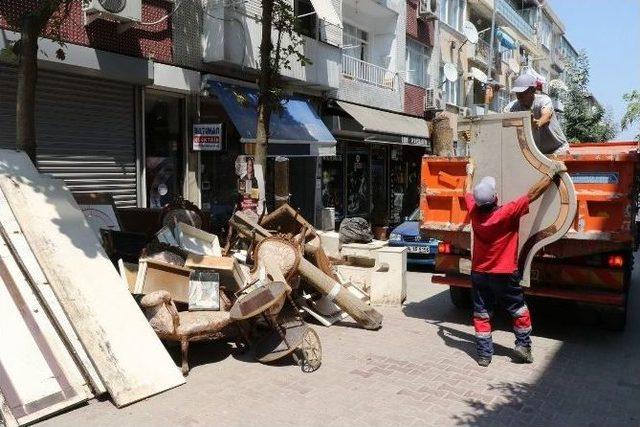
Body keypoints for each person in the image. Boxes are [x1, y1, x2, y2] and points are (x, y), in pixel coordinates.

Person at [464, 159, 567, 367]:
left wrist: (470, 171)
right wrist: (552, 172)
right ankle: (523, 346)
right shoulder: (507, 212)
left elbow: (465, 191)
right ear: (495, 198)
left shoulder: (473, 212)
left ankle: (484, 355)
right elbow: (533, 194)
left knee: (481, 312)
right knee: (518, 309)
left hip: (480, 272)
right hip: (503, 273)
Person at [505, 73, 569, 155]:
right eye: (517, 92)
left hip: (557, 149)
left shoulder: (543, 100)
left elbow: (546, 115)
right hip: (536, 153)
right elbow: (503, 121)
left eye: (523, 92)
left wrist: (538, 123)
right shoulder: (512, 107)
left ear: (532, 90)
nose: (519, 96)